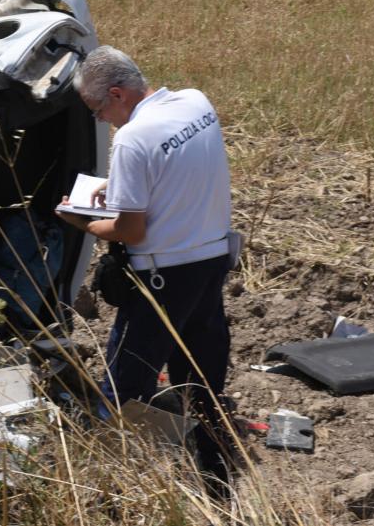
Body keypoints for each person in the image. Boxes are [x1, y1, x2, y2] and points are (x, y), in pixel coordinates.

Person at [55, 45, 235, 495]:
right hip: (211, 261)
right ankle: (215, 470)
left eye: (97, 108)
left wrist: (79, 219)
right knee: (199, 373)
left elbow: (130, 231)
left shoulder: (132, 139)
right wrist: (117, 189)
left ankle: (100, 482)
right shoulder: (197, 102)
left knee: (124, 382)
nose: (99, 119)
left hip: (163, 277)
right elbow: (177, 175)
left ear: (117, 94)